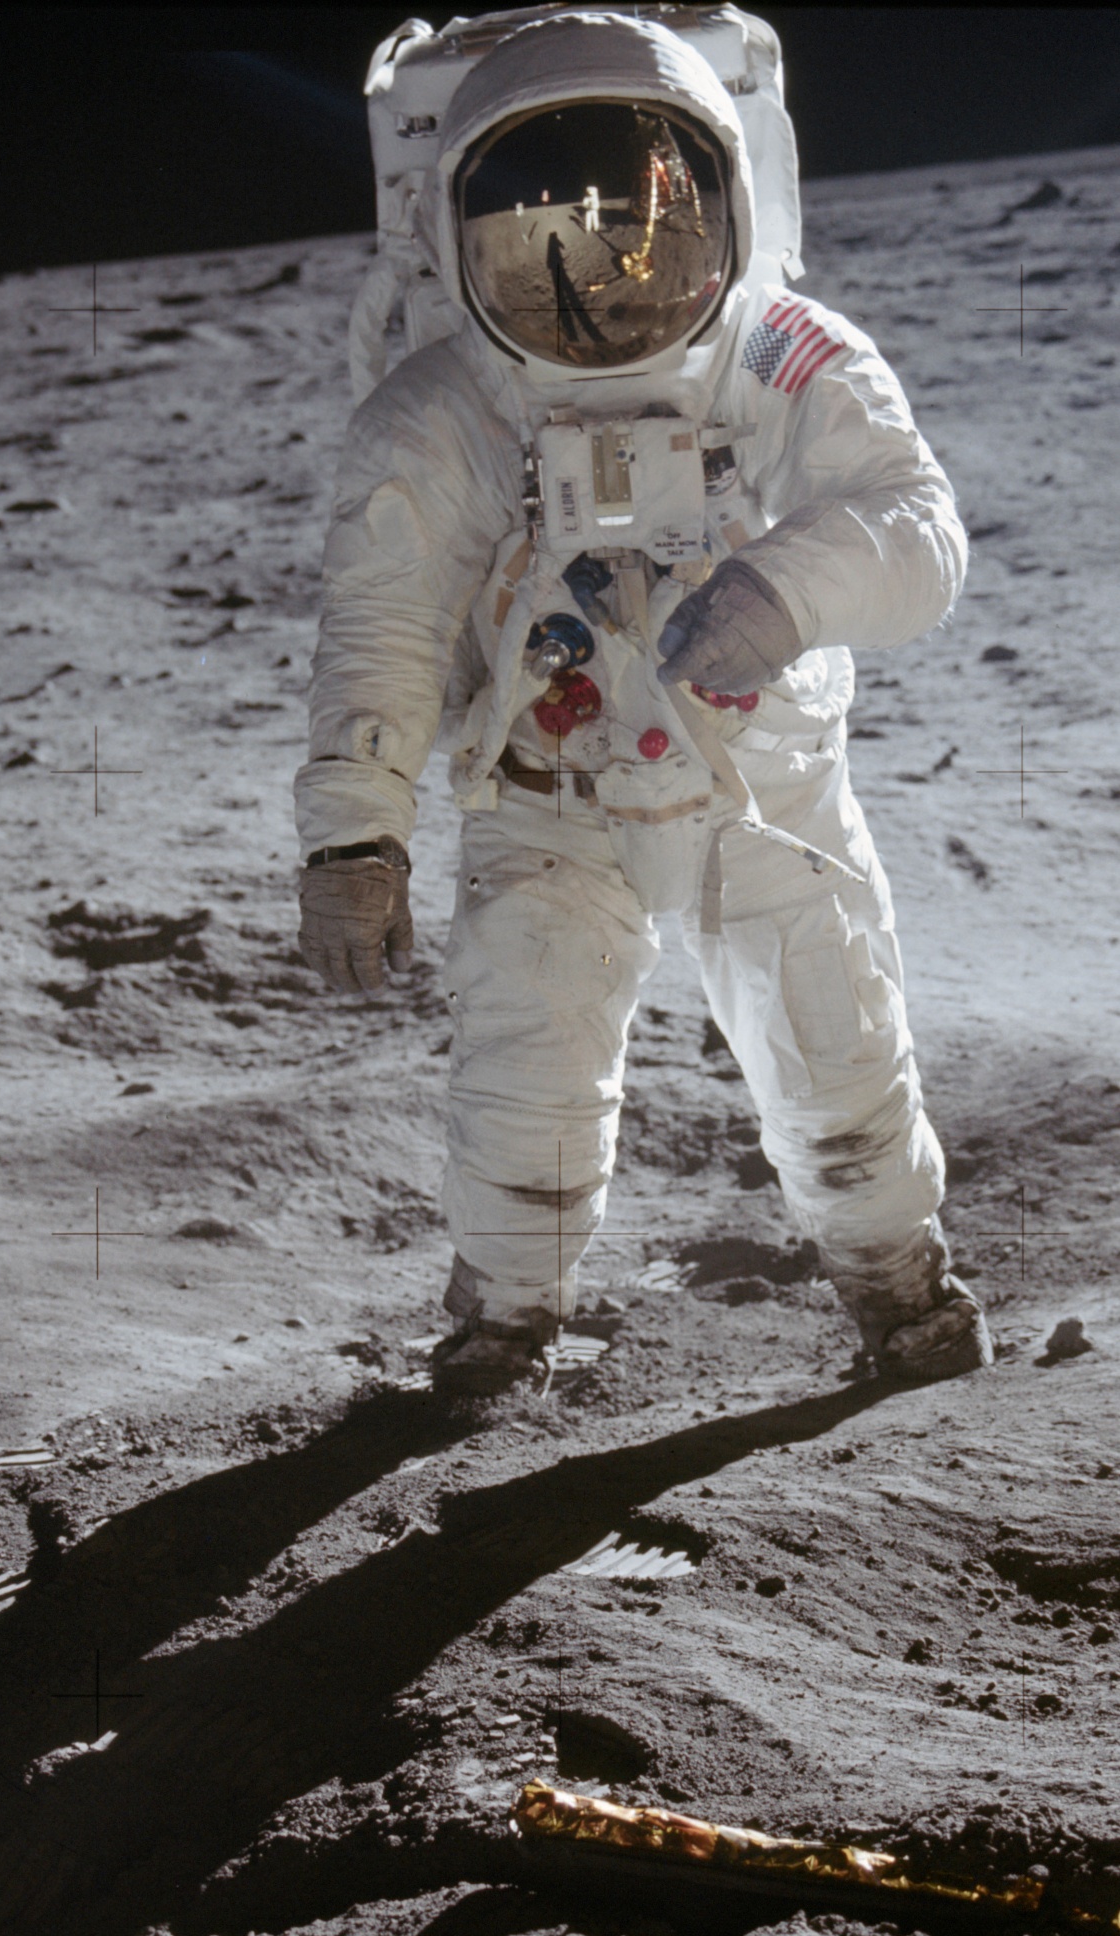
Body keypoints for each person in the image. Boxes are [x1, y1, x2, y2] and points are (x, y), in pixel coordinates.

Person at [295, 6, 993, 1398]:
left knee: (834, 1051)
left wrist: (787, 592)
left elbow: (916, 527)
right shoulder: (447, 411)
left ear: (721, 200)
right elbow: (382, 624)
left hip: (758, 786)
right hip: (543, 799)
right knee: (523, 1074)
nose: (600, 284)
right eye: (532, 240)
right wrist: (352, 835)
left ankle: (897, 1287)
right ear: (459, 238)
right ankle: (502, 1322)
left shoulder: (783, 356)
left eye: (645, 226)